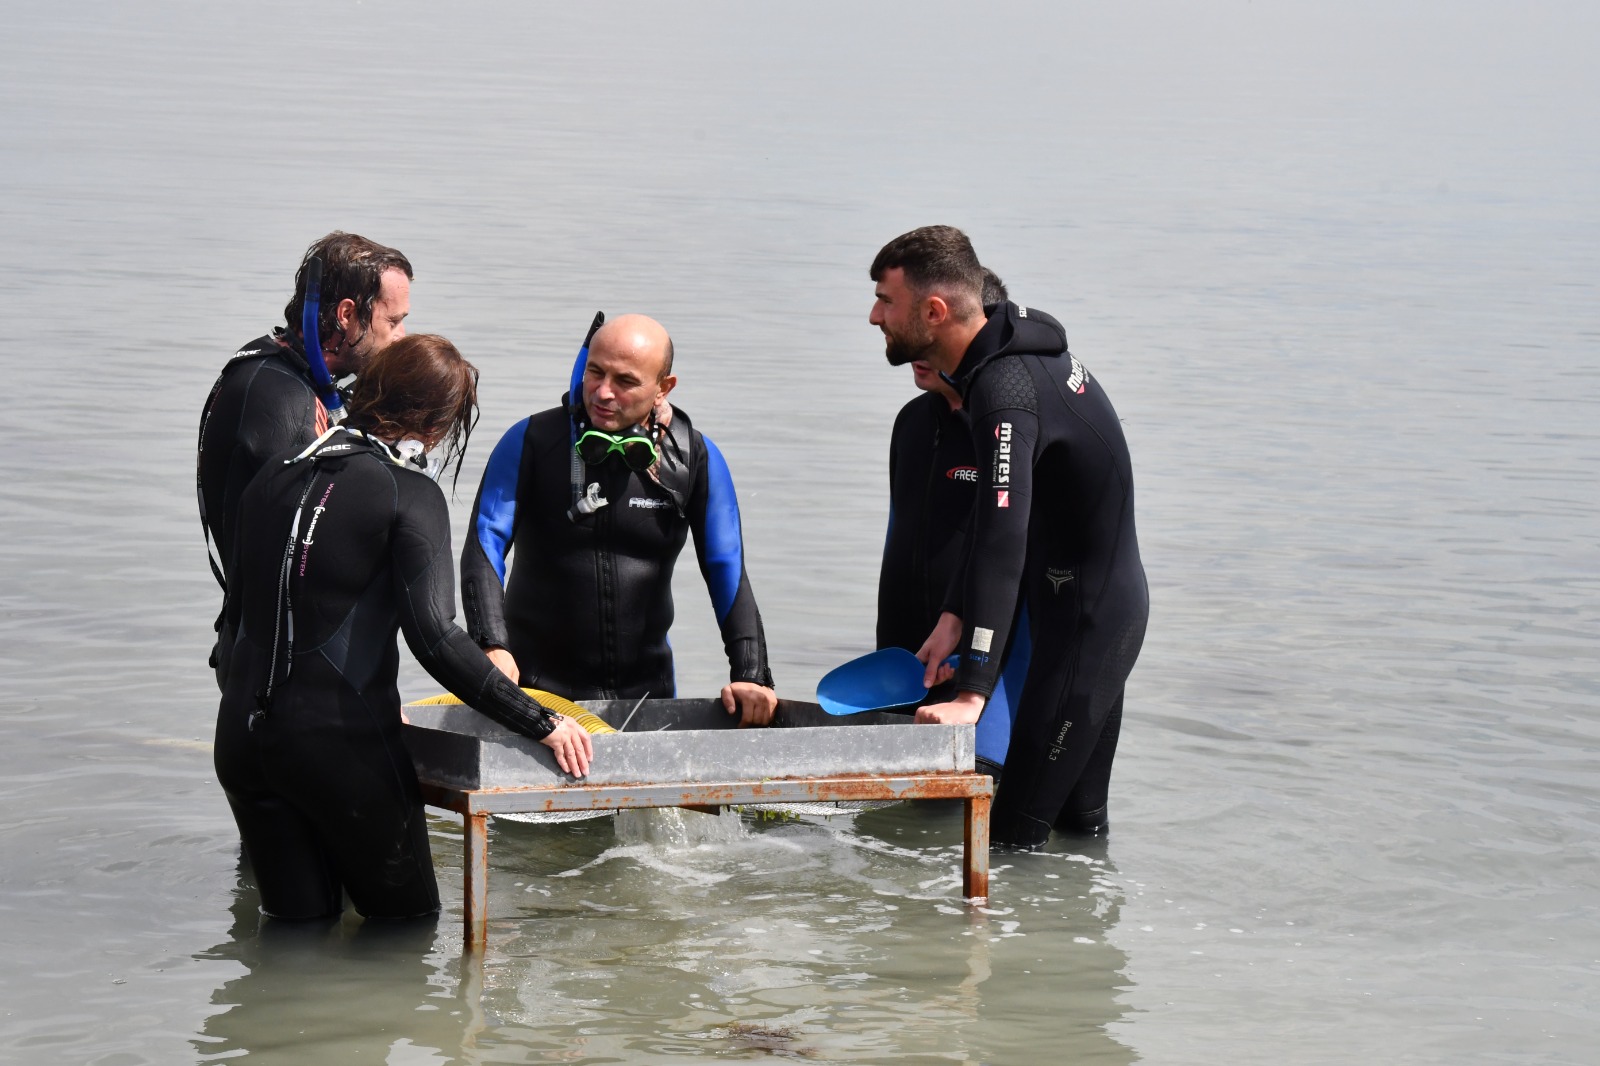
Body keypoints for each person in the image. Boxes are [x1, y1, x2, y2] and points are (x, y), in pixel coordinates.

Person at [213, 334, 594, 921]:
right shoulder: (410, 495)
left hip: (242, 743)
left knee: (294, 929)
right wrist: (539, 721)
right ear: (435, 427)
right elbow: (436, 639)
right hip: (341, 751)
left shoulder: (272, 478)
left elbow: (236, 623)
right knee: (406, 928)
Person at [868, 226, 1148, 849]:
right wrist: (953, 615)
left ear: (934, 312)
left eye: (886, 301)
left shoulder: (1004, 391)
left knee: (1010, 841)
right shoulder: (1004, 367)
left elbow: (1002, 539)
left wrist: (973, 693)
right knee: (1078, 830)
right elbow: (992, 518)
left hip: (1086, 624)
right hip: (1084, 612)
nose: (874, 316)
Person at [460, 314, 778, 724]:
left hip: (648, 700)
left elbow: (726, 567)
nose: (604, 392)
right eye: (596, 372)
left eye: (625, 381)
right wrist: (490, 644)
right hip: (534, 699)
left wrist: (751, 673)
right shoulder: (532, 441)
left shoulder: (693, 458)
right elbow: (485, 544)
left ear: (664, 387)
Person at [198, 231, 413, 596]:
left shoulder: (271, 365)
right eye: (392, 321)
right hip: (281, 630)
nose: (401, 336)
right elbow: (316, 547)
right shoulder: (284, 401)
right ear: (347, 314)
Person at [877, 268, 1028, 777]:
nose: (919, 350)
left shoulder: (1004, 428)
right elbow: (899, 541)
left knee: (978, 795)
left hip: (979, 666)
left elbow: (1009, 554)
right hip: (905, 664)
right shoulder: (911, 422)